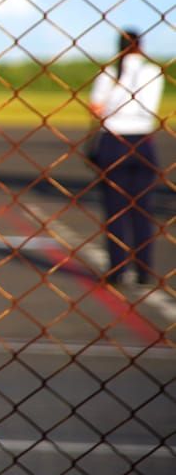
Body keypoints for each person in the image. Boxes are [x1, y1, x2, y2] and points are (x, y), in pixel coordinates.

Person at [89, 28, 166, 287]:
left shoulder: (109, 74)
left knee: (115, 209)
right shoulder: (153, 72)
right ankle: (144, 269)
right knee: (142, 208)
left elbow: (96, 109)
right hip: (143, 141)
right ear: (140, 47)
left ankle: (118, 268)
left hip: (113, 141)